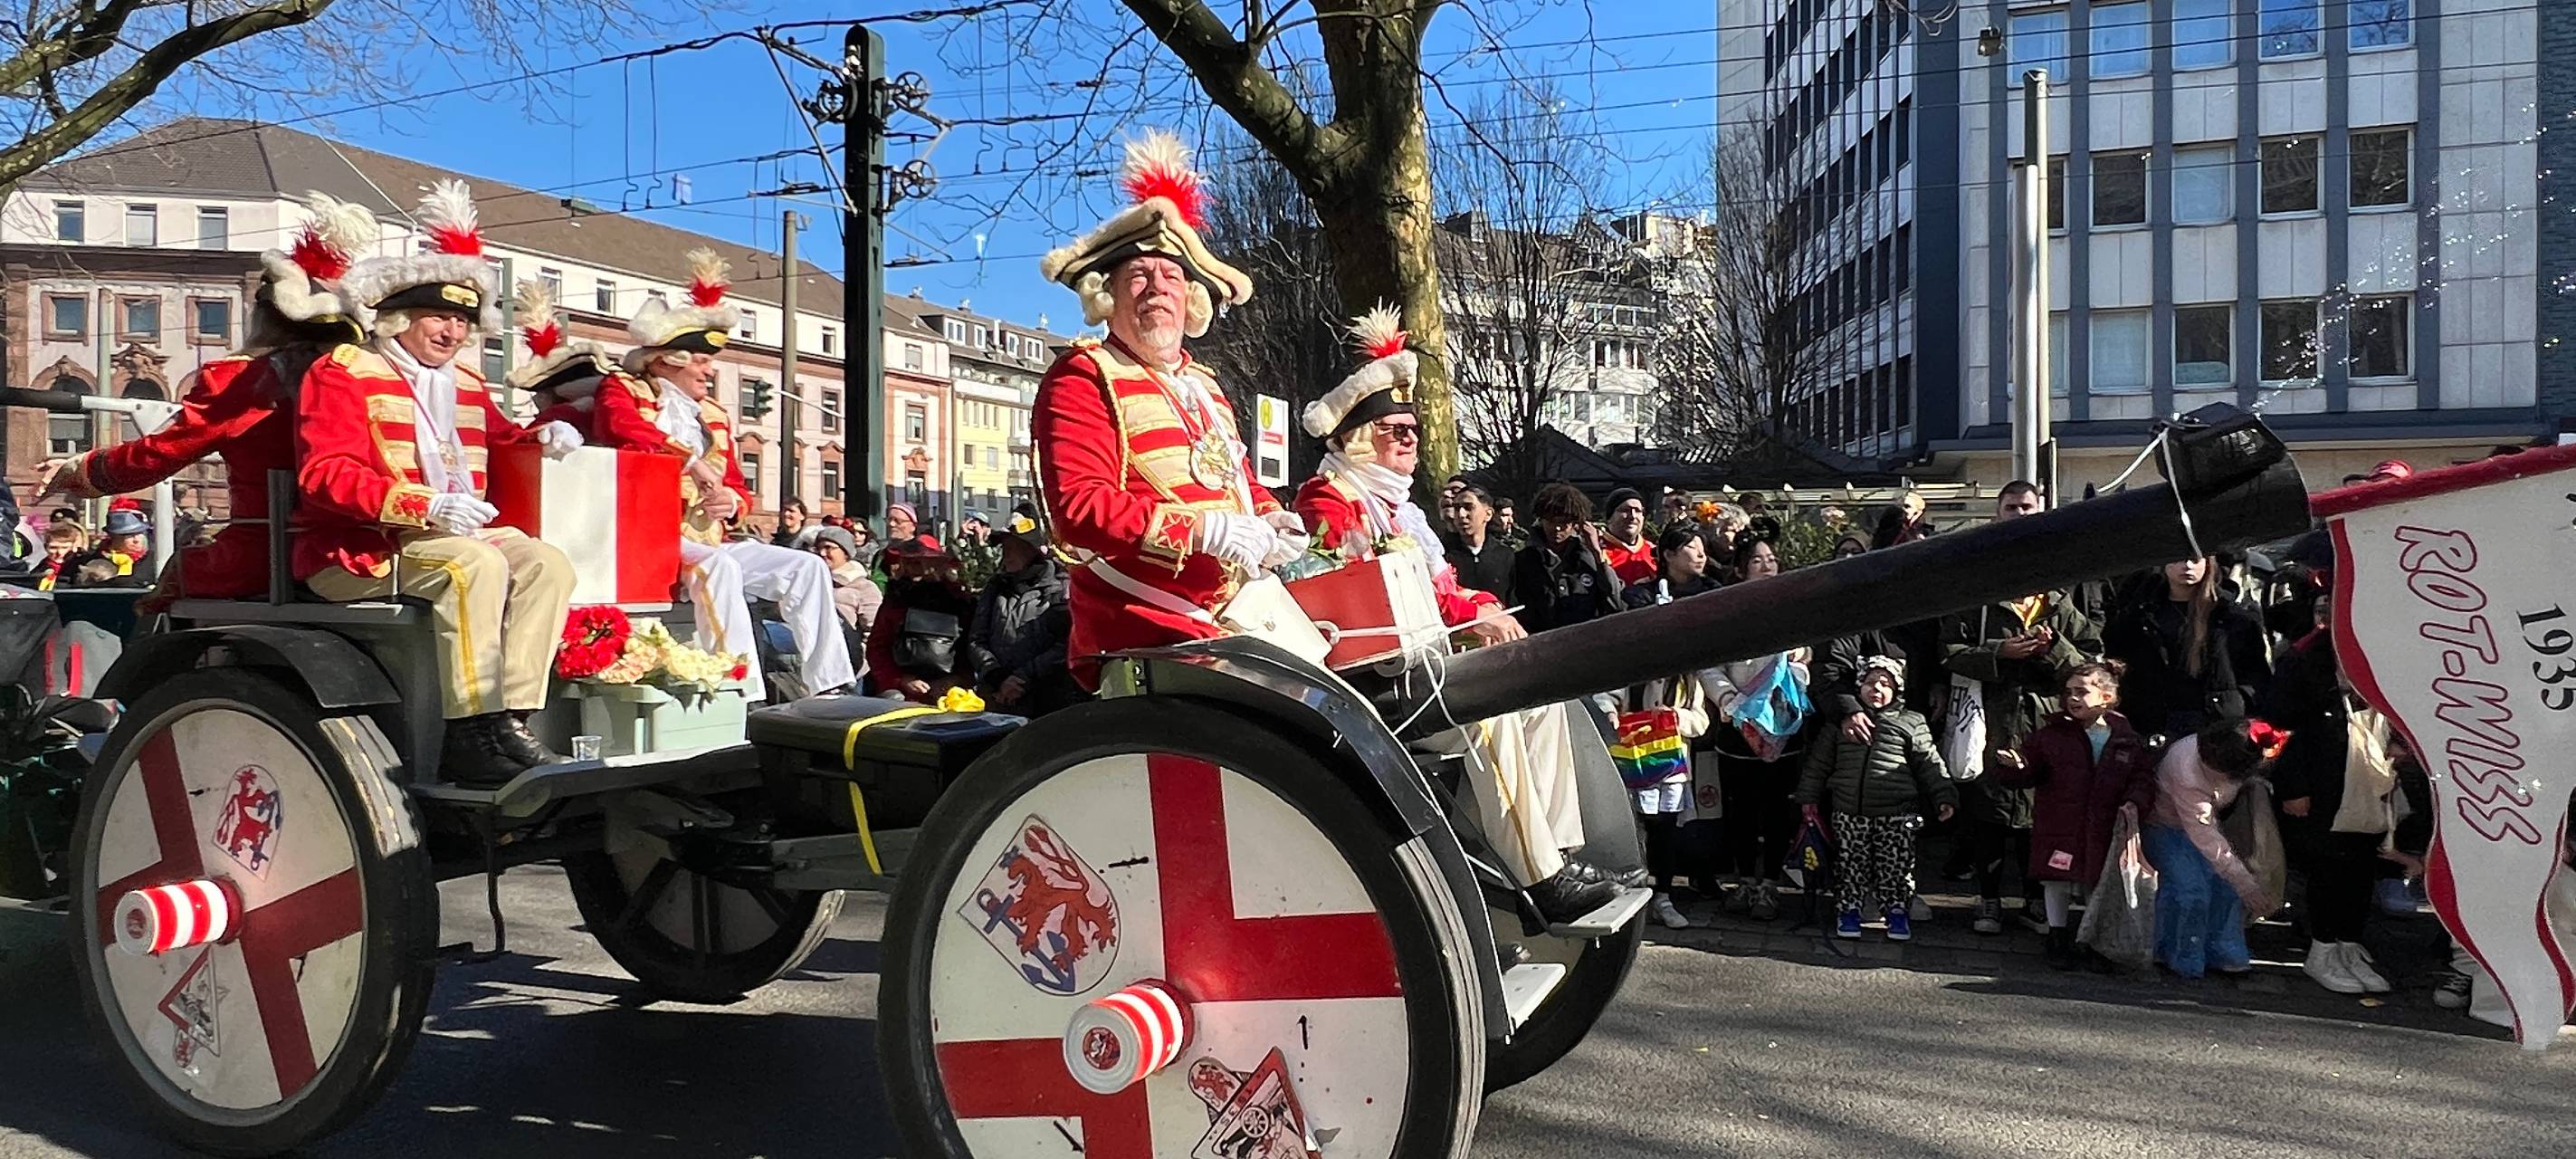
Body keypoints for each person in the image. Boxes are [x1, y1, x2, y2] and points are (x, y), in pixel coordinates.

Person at [1292, 307, 1622, 922]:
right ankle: (1539, 881)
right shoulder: (1329, 500)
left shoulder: (1398, 511)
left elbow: (1444, 591)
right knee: (1487, 718)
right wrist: (1467, 621)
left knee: (1540, 698)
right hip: (1373, 682)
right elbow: (1342, 592)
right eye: (1395, 430)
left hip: (1419, 665)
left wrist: (1485, 608)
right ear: (1354, 439)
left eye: (1412, 428)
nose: (1411, 439)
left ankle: (1555, 854)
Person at [296, 180, 582, 784]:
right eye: (440, 317)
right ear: (400, 317)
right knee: (471, 566)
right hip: (362, 550)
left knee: (547, 563)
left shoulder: (468, 384)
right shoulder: (345, 372)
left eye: (462, 321)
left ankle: (511, 719)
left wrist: (544, 436)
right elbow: (323, 477)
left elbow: (501, 440)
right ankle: (469, 734)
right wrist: (424, 504)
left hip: (448, 534)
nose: (453, 333)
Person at [1031, 130, 1306, 686]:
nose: (1156, 287)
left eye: (1172, 277)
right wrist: (1202, 532)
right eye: (1138, 276)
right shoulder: (1083, 376)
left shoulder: (1204, 384)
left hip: (1233, 617)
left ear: (1192, 300)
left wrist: (1268, 515)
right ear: (1107, 296)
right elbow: (1079, 509)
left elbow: (1233, 481)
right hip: (1144, 632)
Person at [34, 192, 379, 603]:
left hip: (268, 550)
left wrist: (81, 469)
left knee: (179, 572)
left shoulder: (244, 380)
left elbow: (163, 452)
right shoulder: (373, 377)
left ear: (264, 317)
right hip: (368, 549)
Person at [586, 251, 857, 700]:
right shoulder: (624, 390)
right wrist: (688, 460)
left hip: (705, 537)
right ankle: (741, 690)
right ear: (667, 359)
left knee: (806, 566)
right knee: (719, 565)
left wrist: (732, 503)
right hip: (647, 536)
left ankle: (830, 686)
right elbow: (622, 429)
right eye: (700, 360)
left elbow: (734, 482)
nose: (710, 371)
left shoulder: (711, 413)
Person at [1941, 480, 2103, 934]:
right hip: (1991, 717)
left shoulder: (2057, 595)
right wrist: (1998, 653)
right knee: (1988, 816)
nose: (2020, 514)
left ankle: (2034, 902)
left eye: (2028, 507)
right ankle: (1987, 899)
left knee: (2039, 818)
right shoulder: (1975, 589)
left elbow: (2090, 658)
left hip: (2046, 721)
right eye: (2011, 507)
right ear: (1998, 515)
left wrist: (2053, 650)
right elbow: (1948, 649)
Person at [2266, 589, 2407, 995]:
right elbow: (2278, 729)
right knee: (2328, 866)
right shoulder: (2303, 660)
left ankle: (2347, 942)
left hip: (2368, 777)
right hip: (2320, 779)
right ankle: (2322, 947)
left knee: (2361, 865)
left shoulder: (2381, 654)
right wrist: (2293, 787)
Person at [1992, 662, 2154, 970]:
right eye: (2068, 692)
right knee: (2056, 879)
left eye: (2082, 691)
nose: (2073, 698)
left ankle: (2092, 940)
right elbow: (2032, 769)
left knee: (2100, 880)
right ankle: (2057, 934)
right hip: (2060, 823)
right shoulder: (2052, 734)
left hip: (2105, 824)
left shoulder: (2126, 738)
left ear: (2107, 697)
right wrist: (2016, 766)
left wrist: (2134, 801)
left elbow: (2142, 777)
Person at [1796, 656, 1953, 940]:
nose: (1876, 689)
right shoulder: (1840, 725)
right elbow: (1818, 765)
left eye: (1885, 684)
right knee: (1850, 865)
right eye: (1869, 683)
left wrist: (1944, 795)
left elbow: (1930, 763)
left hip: (1897, 813)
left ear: (1897, 690)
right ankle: (1849, 910)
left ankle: (1896, 912)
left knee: (1897, 867)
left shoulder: (1911, 722)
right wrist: (1808, 797)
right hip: (1849, 811)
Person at [1702, 536, 1812, 921]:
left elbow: (1804, 656)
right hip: (1738, 722)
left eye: (1771, 559)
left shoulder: (1793, 607)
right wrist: (1728, 701)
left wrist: (1795, 674)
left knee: (1778, 809)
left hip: (1780, 722)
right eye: (1757, 561)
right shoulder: (1729, 612)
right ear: (1741, 568)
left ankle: (1769, 886)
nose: (1766, 566)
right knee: (1741, 807)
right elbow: (1709, 663)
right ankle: (1745, 879)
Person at [2146, 718, 2288, 979]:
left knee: (2226, 887)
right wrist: (2248, 886)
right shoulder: (2187, 770)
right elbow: (2206, 836)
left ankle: (2224, 952)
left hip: (2210, 823)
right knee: (2190, 889)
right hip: (2165, 825)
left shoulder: (2243, 744)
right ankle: (2179, 955)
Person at [2104, 555, 2271, 745]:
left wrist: (2237, 703)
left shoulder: (2233, 617)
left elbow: (2257, 675)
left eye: (2195, 560)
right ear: (2164, 564)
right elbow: (2117, 659)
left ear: (2208, 563)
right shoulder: (2139, 614)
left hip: (2217, 724)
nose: (2188, 566)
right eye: (2178, 559)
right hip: (2156, 724)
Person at [965, 515, 1078, 715]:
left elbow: (1067, 644)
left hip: (1048, 703)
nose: (1006, 555)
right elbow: (976, 639)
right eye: (1004, 548)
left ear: (1033, 550)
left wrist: (1023, 678)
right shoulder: (996, 587)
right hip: (998, 699)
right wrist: (997, 676)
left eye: (1013, 548)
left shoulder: (1063, 588)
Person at [868, 542, 975, 703]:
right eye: (907, 562)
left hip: (952, 693)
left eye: (917, 562)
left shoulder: (962, 602)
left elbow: (972, 647)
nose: (911, 569)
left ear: (939, 564)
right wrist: (900, 680)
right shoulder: (896, 601)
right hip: (903, 693)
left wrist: (955, 680)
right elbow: (877, 648)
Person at [1512, 482, 1623, 634]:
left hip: (1584, 643)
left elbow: (1615, 603)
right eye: (1551, 521)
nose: (1557, 529)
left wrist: (1597, 553)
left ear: (1576, 524)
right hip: (1538, 646)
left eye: (1564, 523)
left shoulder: (1589, 559)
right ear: (1541, 520)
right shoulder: (1523, 560)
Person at [811, 524, 884, 660]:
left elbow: (875, 631)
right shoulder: (811, 583)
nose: (822, 553)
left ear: (845, 552)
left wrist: (858, 655)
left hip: (846, 662)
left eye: (828, 548)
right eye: (818, 549)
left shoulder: (864, 587)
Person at [1441, 483, 1515, 603]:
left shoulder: (1505, 556)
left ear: (1488, 514)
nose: (1461, 514)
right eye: (1457, 508)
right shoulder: (1443, 555)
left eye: (1468, 507)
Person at [1623, 523, 1716, 609]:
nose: (1701, 555)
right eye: (1691, 547)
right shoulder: (1642, 595)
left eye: (1702, 549)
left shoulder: (1714, 591)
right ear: (1669, 555)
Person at [1598, 487, 1655, 587]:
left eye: (1638, 511)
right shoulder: (1597, 551)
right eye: (1625, 510)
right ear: (1609, 518)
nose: (1633, 516)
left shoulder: (1654, 552)